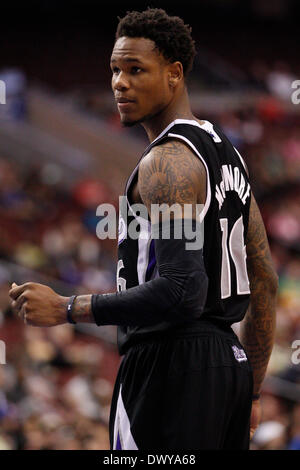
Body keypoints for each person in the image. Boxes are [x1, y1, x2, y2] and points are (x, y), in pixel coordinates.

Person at [9, 8, 278, 450]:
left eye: (136, 70)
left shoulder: (167, 162)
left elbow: (182, 288)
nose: (119, 82)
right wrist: (249, 389)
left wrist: (67, 308)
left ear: (174, 74)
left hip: (170, 365)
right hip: (228, 366)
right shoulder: (227, 155)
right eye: (115, 70)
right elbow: (263, 277)